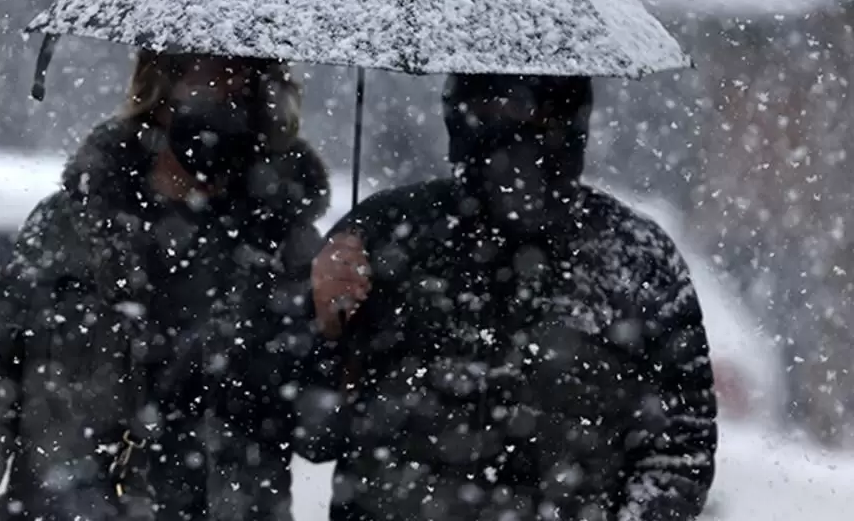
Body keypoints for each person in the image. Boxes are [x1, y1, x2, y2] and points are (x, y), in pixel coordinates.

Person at [0, 51, 331, 521]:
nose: (230, 105)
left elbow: (321, 433)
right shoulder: (72, 227)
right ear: (159, 90)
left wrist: (337, 331)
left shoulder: (286, 250)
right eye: (213, 80)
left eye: (248, 89)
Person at [297, 73, 718, 521]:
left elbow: (681, 447)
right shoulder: (385, 237)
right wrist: (322, 322)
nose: (516, 137)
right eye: (492, 110)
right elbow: (313, 435)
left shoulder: (635, 258)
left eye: (542, 116)